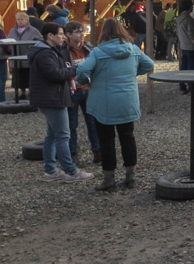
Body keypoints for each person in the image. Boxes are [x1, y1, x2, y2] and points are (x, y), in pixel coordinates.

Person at [76, 18, 154, 191]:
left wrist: (85, 81)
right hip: (127, 100)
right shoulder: (133, 49)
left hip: (103, 102)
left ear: (104, 32)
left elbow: (82, 70)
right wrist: (132, 73)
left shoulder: (98, 52)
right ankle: (130, 177)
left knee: (106, 140)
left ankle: (109, 179)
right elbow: (149, 64)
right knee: (127, 137)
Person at [28, 23, 93, 182]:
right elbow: (55, 74)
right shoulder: (45, 54)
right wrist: (76, 69)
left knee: (52, 135)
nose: (63, 37)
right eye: (60, 34)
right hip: (52, 98)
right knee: (63, 135)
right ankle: (71, 171)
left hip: (51, 97)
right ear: (50, 36)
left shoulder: (49, 51)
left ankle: (51, 171)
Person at [63, 21, 101, 163]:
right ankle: (72, 153)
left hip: (89, 89)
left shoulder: (89, 48)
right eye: (78, 32)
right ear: (68, 34)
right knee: (72, 123)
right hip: (72, 90)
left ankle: (97, 151)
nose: (82, 34)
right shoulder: (63, 50)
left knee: (92, 121)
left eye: (83, 31)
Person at [8, 11, 43, 99]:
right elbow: (9, 40)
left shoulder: (33, 30)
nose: (20, 21)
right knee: (18, 77)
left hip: (28, 57)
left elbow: (40, 40)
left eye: (22, 19)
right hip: (17, 58)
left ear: (27, 21)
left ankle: (31, 93)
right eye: (18, 19)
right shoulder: (13, 30)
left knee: (30, 76)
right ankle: (22, 93)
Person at [176, 0, 194, 95]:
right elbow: (192, 35)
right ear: (190, 7)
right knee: (191, 69)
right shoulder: (189, 19)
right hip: (190, 47)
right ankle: (192, 89)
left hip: (183, 45)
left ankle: (182, 87)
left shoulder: (178, 19)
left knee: (183, 68)